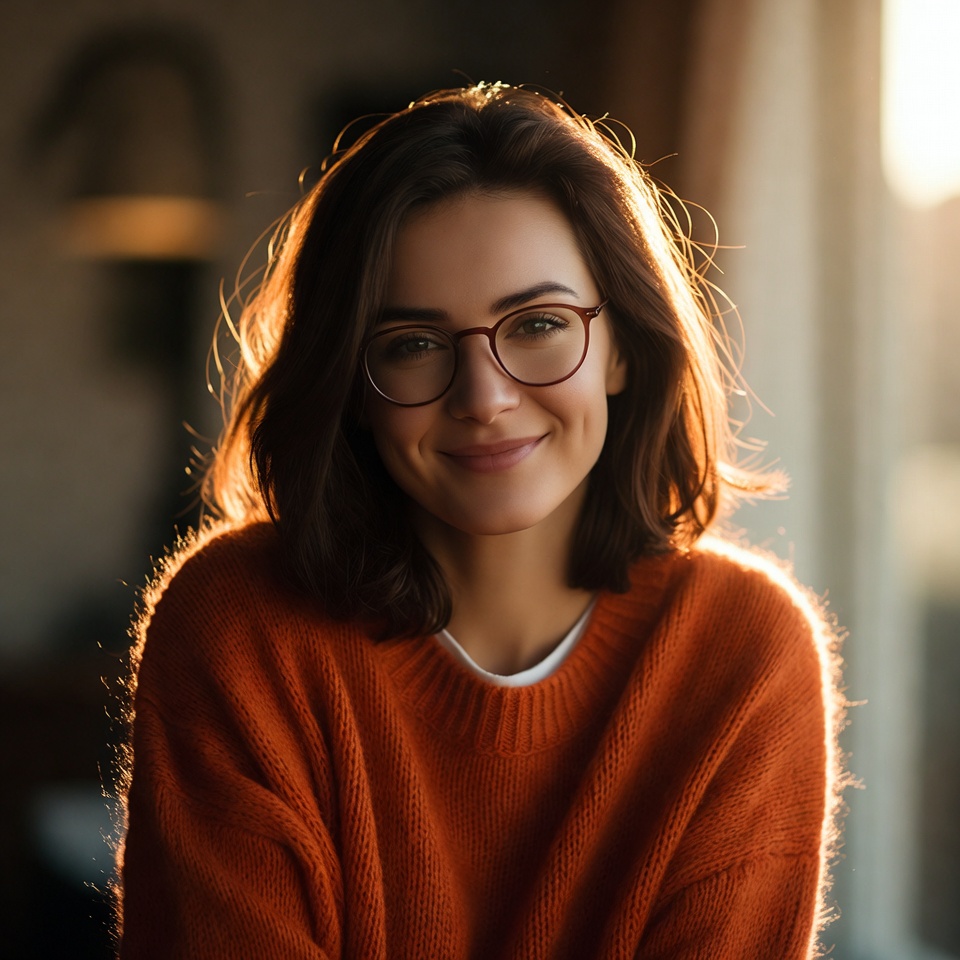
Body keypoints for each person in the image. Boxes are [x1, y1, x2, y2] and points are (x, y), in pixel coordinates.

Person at [116, 82, 846, 959]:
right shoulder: (239, 629)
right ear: (351, 386)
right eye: (414, 344)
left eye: (537, 323)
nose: (485, 397)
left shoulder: (744, 654)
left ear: (622, 346)